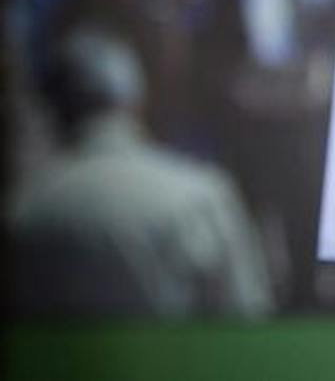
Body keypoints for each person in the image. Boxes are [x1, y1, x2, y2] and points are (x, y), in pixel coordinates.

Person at [8, 29, 272, 318]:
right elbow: (249, 323)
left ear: (54, 110)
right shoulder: (201, 197)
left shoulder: (25, 211)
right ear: (136, 101)